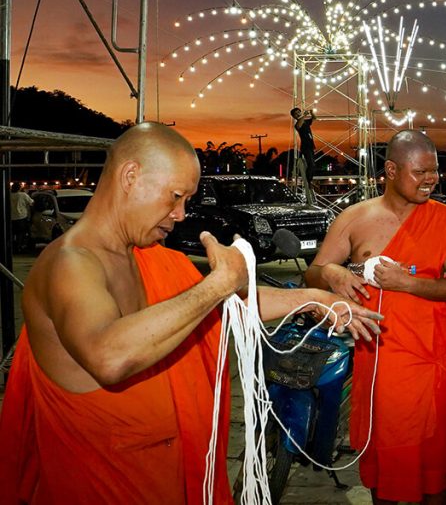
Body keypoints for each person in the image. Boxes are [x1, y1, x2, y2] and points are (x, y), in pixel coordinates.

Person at [0, 122, 382, 504]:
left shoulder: (148, 257)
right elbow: (109, 356)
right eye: (175, 196)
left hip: (165, 471)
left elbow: (229, 301)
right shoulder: (70, 263)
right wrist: (217, 283)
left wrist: (314, 299)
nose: (181, 214)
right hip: (98, 483)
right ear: (130, 176)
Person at [305, 130, 446, 505]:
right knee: (385, 465)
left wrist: (407, 283)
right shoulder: (356, 218)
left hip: (427, 362)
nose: (431, 179)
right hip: (376, 362)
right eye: (420, 172)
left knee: (432, 465)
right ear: (392, 170)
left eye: (434, 171)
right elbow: (313, 273)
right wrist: (332, 273)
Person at [291, 106, 316, 188]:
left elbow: (314, 118)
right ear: (294, 116)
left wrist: (312, 113)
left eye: (299, 112)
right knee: (311, 164)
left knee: (313, 165)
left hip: (311, 145)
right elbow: (298, 126)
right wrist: (304, 115)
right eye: (296, 113)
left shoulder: (305, 121)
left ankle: (310, 180)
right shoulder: (298, 124)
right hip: (305, 147)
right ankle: (309, 181)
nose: (298, 114)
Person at [9, 181, 33, 250]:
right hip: (21, 217)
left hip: (11, 217)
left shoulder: (9, 195)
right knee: (21, 233)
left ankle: (12, 246)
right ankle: (19, 246)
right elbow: (32, 203)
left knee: (12, 233)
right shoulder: (23, 195)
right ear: (19, 188)